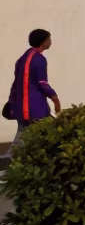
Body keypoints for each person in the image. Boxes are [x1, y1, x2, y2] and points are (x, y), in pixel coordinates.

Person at [4, 29, 62, 158]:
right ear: (43, 42)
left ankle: (9, 159)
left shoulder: (23, 58)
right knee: (50, 132)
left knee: (22, 135)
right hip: (34, 107)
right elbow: (42, 83)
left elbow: (16, 84)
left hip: (21, 106)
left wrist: (13, 102)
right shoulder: (39, 59)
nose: (51, 41)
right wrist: (55, 99)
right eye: (49, 39)